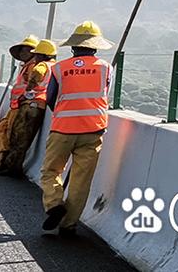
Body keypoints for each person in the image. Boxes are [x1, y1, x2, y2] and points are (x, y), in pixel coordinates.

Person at [39, 21, 115, 237]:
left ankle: (54, 204)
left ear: (73, 46)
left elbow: (50, 98)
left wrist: (63, 113)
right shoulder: (106, 67)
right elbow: (104, 94)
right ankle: (68, 225)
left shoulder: (59, 68)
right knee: (81, 182)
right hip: (94, 130)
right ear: (95, 46)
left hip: (63, 129)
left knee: (50, 171)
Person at [0, 39, 56, 177]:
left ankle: (12, 168)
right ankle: (10, 165)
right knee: (22, 139)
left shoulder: (41, 66)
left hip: (30, 105)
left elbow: (37, 75)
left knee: (18, 139)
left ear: (42, 54)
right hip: (38, 105)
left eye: (37, 54)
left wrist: (28, 91)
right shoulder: (55, 66)